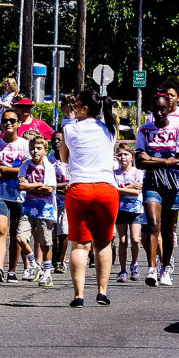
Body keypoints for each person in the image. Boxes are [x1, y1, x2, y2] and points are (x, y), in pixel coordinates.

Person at [60, 90, 119, 308]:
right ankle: (102, 292)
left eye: (75, 105)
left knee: (79, 244)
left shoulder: (69, 129)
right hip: (106, 189)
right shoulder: (110, 129)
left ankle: (79, 295)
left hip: (79, 188)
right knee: (103, 243)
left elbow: (64, 157)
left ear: (85, 109)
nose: (72, 108)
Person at [135, 93, 179, 287]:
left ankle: (166, 267)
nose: (159, 113)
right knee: (152, 224)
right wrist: (167, 161)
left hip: (173, 183)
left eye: (163, 109)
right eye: (156, 109)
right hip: (152, 181)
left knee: (168, 230)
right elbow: (139, 162)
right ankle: (151, 269)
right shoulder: (144, 130)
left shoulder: (178, 129)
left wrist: (152, 159)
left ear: (169, 109)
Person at [0, 109, 29, 283]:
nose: (8, 124)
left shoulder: (25, 145)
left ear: (18, 124)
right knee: (1, 230)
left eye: (12, 120)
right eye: (5, 121)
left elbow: (26, 171)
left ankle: (12, 270)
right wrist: (11, 171)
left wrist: (5, 170)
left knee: (15, 234)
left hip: (20, 195)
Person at [17, 136, 58, 287]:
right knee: (20, 238)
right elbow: (21, 186)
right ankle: (34, 264)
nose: (35, 151)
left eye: (39, 148)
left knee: (45, 243)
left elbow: (49, 189)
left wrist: (32, 185)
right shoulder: (25, 166)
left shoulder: (49, 167)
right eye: (33, 148)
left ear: (45, 151)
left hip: (45, 210)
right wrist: (39, 184)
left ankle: (47, 273)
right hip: (28, 207)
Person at [114, 143, 143, 283]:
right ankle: (122, 269)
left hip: (136, 209)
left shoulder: (138, 172)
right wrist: (129, 187)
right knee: (122, 240)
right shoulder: (114, 173)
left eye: (125, 154)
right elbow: (111, 189)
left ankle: (135, 263)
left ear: (131, 156)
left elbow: (137, 191)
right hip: (120, 209)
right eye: (120, 154)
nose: (123, 157)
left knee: (135, 239)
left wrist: (120, 189)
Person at [49, 130, 70, 273]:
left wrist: (53, 186)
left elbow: (71, 182)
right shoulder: (48, 159)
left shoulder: (71, 160)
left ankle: (60, 260)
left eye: (60, 140)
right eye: (55, 140)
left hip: (66, 201)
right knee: (50, 233)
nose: (57, 142)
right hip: (49, 200)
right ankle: (52, 258)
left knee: (63, 231)